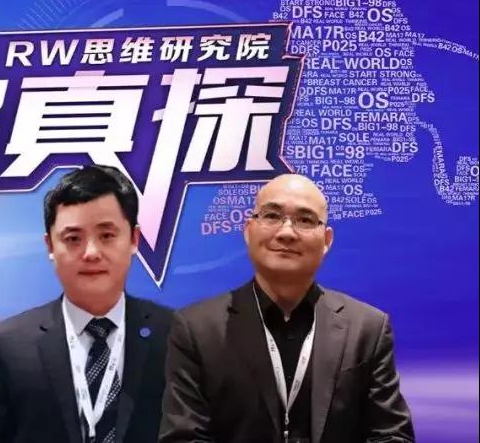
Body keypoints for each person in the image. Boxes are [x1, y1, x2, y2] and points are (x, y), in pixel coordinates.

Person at [159, 174, 414, 443]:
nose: (286, 232)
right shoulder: (197, 329)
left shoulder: (367, 329)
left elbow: (392, 436)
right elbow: (183, 438)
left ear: (327, 240)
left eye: (305, 220)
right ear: (248, 230)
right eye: (272, 216)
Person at [0, 165, 173, 443]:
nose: (91, 253)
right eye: (73, 239)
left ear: (134, 239)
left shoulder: (176, 336)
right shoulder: (4, 346)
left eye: (107, 235)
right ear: (50, 246)